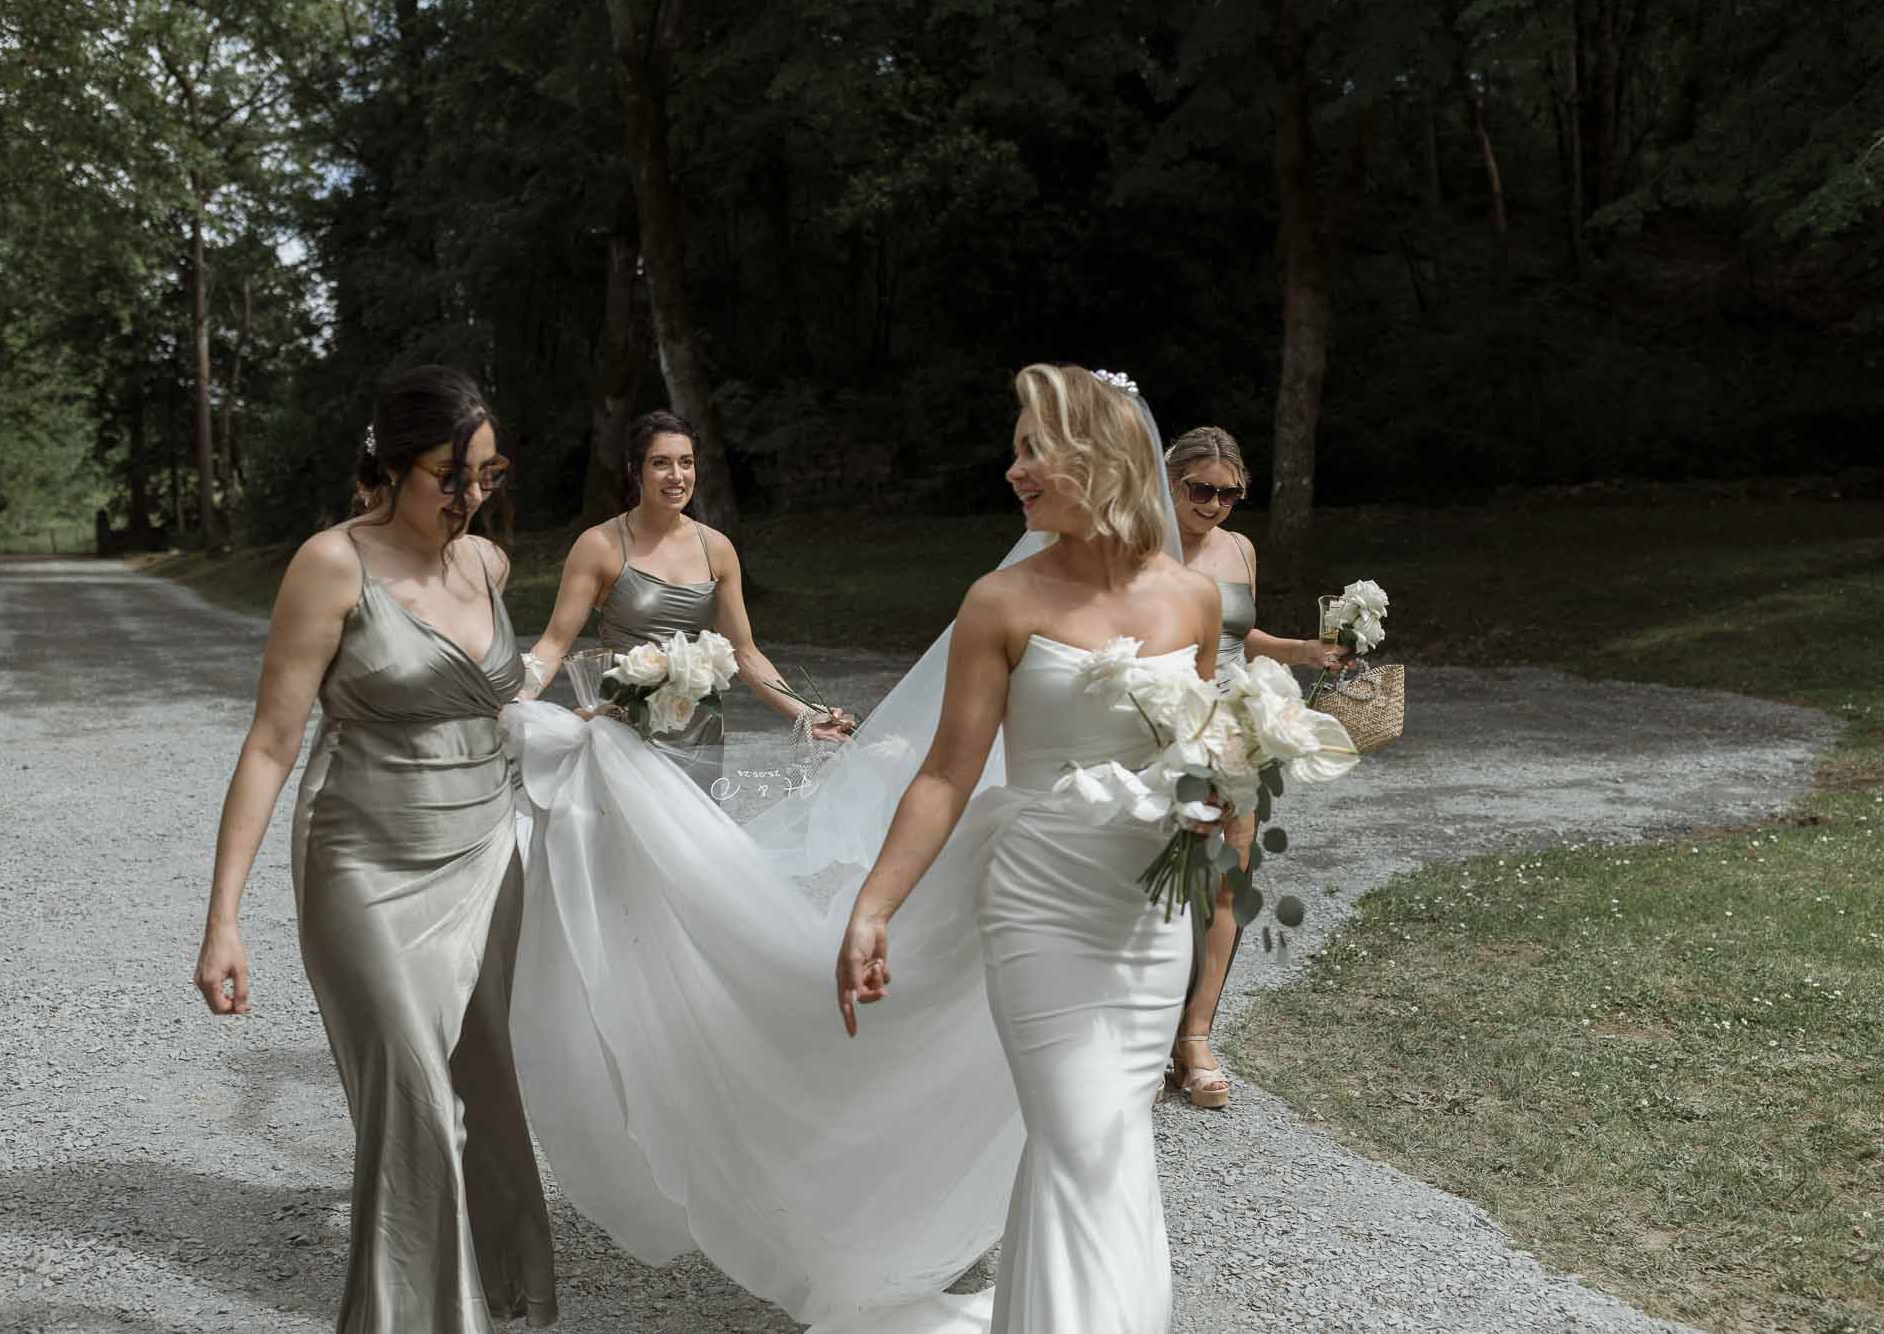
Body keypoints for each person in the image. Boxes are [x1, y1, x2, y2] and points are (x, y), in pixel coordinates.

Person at [499, 364, 1214, 1333]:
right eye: (1015, 450)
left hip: (1146, 920)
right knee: (1079, 1130)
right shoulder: (1000, 602)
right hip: (1038, 907)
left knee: (1114, 1131)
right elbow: (945, 774)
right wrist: (872, 907)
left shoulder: (1193, 601)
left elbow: (1197, 755)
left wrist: (1215, 804)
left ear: (1096, 456)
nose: (1011, 470)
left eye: (1031, 450)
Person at [191, 365, 557, 1332]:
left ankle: (484, 1289)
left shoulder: (487, 565)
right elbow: (272, 741)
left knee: (482, 1086)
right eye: (451, 476)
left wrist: (602, 729)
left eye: (487, 476)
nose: (470, 496)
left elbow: (496, 702)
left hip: (484, 852)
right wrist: (224, 917)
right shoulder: (331, 564)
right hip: (362, 859)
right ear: (394, 465)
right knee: (412, 1095)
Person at [1159, 425, 1350, 1109]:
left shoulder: (1240, 548)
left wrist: (1304, 651)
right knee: (1157, 883)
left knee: (1227, 881)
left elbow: (1240, 637)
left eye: (1230, 493)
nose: (1214, 504)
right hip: (1164, 723)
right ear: (1168, 481)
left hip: (1239, 727)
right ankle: (1142, 1036)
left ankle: (1195, 1038)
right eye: (1200, 489)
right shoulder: (1140, 547)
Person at [523, 409, 850, 795]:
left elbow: (745, 653)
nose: (677, 476)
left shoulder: (717, 549)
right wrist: (517, 697)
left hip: (701, 737)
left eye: (686, 462)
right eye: (661, 463)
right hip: (625, 734)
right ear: (635, 470)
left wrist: (805, 713)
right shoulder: (599, 545)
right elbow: (555, 643)